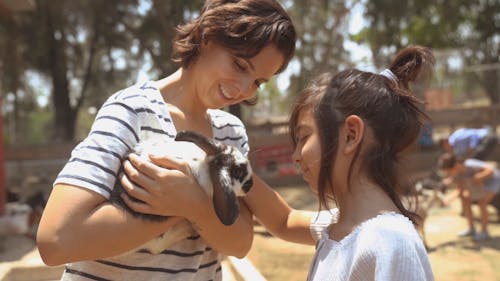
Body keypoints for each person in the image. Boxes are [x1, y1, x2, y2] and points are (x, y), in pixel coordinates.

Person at [36, 1, 296, 280]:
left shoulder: (230, 133)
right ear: (207, 37)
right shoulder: (132, 111)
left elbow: (240, 243)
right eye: (240, 65)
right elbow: (56, 240)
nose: (244, 90)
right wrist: (183, 208)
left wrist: (193, 203)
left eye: (258, 82)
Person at [133, 46, 436, 280]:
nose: (296, 155)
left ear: (351, 135)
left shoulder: (388, 242)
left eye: (304, 137)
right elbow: (283, 220)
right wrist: (232, 164)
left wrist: (194, 204)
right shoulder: (339, 227)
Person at [438, 152, 500, 241]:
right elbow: (461, 190)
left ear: (455, 166)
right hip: (479, 186)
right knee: (465, 198)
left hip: (493, 181)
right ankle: (471, 229)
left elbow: (490, 170)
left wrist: (480, 177)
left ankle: (484, 231)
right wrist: (449, 199)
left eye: (448, 171)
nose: (448, 174)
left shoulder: (470, 164)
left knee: (481, 202)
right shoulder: (457, 174)